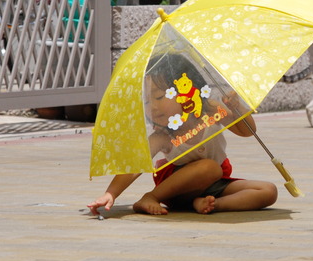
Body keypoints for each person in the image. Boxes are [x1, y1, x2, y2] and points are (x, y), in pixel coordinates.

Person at [87, 55, 278, 217]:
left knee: (268, 191)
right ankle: (150, 197)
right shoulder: (163, 135)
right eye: (146, 101)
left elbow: (248, 131)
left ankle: (210, 205)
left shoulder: (210, 110)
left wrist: (237, 109)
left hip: (213, 184)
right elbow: (135, 166)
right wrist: (111, 193)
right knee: (209, 167)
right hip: (174, 191)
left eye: (160, 97)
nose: (152, 106)